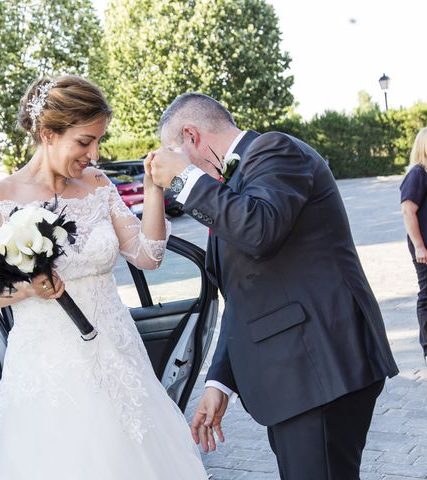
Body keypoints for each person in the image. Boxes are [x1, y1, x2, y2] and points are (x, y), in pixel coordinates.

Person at [0, 75, 208, 480]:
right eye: (84, 141)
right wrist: (29, 287)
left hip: (119, 357)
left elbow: (149, 256)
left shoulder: (97, 185)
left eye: (98, 141)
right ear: (47, 134)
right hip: (50, 373)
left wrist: (152, 188)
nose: (94, 153)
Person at [147, 92, 399, 480]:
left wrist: (186, 178)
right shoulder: (232, 187)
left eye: (174, 153)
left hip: (321, 368)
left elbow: (260, 229)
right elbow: (243, 294)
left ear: (191, 136)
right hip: (297, 379)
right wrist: (219, 382)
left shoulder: (273, 149)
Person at [400, 127, 427, 363]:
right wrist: (419, 246)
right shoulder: (418, 173)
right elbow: (408, 210)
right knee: (426, 294)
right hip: (424, 248)